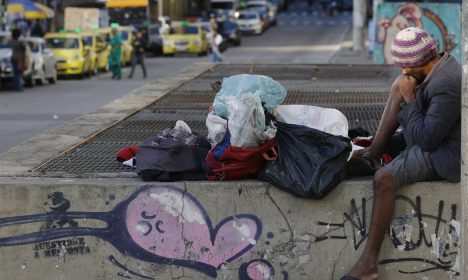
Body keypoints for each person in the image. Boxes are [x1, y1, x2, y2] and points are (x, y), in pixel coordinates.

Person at [342, 27, 461, 280]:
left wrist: (411, 99)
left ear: (418, 63)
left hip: (444, 153)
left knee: (383, 179)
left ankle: (368, 264)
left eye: (405, 68)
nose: (403, 72)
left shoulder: (446, 83)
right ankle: (373, 152)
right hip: (431, 134)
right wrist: (404, 92)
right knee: (400, 87)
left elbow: (427, 141)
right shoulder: (437, 68)